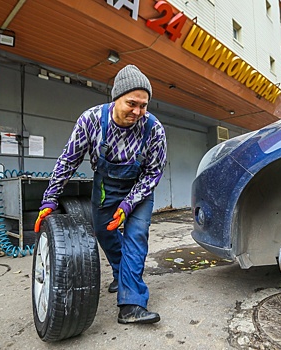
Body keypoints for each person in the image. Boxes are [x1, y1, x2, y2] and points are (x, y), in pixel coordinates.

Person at [34, 64, 167, 324]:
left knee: (136, 236)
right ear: (116, 97)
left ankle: (132, 304)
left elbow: (153, 173)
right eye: (132, 103)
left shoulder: (154, 129)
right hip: (106, 186)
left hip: (139, 189)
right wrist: (49, 199)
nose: (138, 112)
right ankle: (121, 274)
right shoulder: (91, 120)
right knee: (104, 233)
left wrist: (128, 205)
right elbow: (68, 161)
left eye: (144, 105)